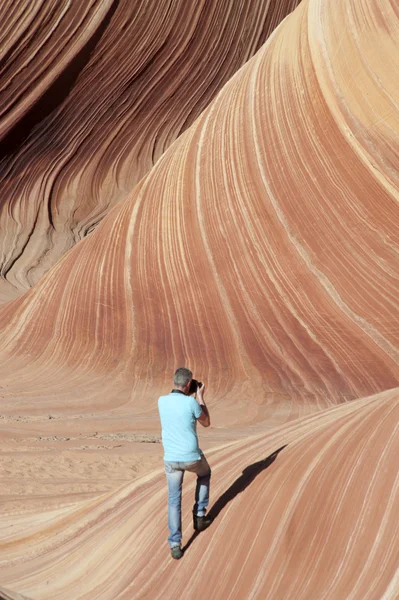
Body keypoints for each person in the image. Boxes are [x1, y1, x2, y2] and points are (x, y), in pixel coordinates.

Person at [158, 367, 213, 559]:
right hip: (191, 457)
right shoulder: (191, 403)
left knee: (174, 500)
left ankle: (175, 544)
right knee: (204, 474)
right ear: (189, 384)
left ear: (175, 381)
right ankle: (199, 515)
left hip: (171, 459)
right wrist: (200, 397)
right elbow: (206, 422)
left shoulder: (161, 401)